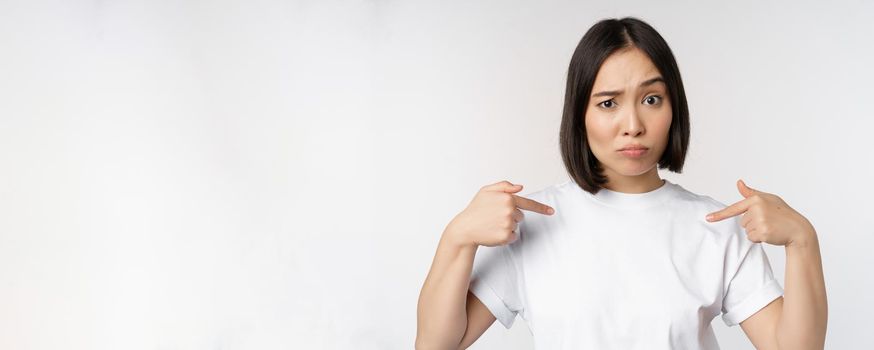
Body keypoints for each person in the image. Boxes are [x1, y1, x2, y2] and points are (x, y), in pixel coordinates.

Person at [415, 17, 827, 349]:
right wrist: (457, 238)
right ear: (580, 114)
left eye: (651, 99)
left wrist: (803, 241)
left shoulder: (716, 225)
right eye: (608, 103)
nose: (633, 125)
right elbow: (437, 344)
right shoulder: (532, 223)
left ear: (673, 108)